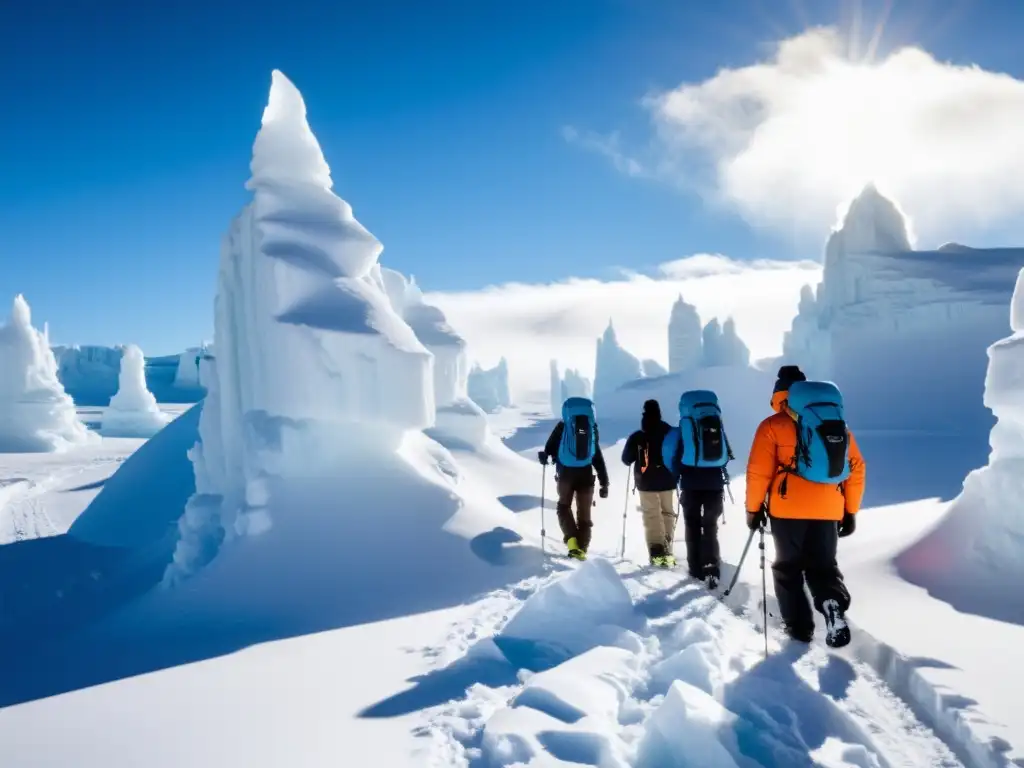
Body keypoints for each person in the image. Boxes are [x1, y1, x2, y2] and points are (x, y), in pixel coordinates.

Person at [745, 365, 866, 648]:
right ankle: (832, 605)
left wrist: (753, 509)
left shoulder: (772, 425)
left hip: (787, 509)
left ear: (778, 395)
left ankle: (799, 630)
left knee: (788, 568)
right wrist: (850, 510)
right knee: (823, 567)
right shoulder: (837, 424)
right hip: (829, 507)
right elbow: (856, 468)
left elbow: (757, 472)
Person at [539, 397, 609, 560]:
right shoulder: (592, 428)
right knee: (585, 515)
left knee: (563, 506)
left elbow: (549, 448)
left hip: (566, 474)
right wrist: (604, 483)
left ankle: (572, 544)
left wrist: (545, 456)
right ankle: (582, 549)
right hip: (586, 473)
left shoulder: (563, 426)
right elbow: (597, 456)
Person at [621, 400, 678, 567]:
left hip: (646, 482)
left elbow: (626, 459)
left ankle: (656, 550)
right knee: (667, 512)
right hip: (668, 480)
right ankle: (667, 549)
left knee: (652, 514)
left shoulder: (639, 435)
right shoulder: (670, 433)